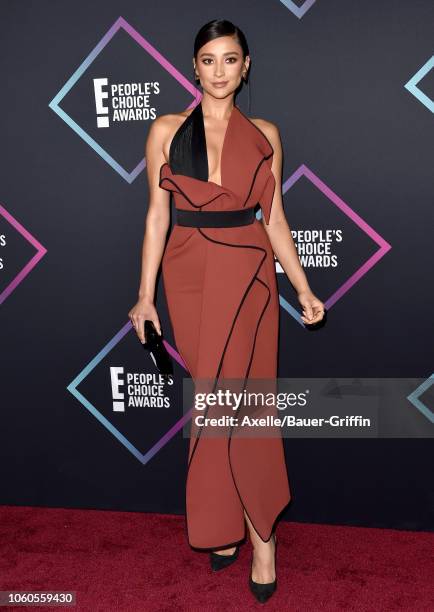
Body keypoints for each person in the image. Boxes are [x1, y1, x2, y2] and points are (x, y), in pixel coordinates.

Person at [128, 18, 325, 604]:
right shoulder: (166, 129)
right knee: (212, 399)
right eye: (209, 60)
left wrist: (303, 286)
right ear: (194, 67)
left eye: (230, 59)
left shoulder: (265, 133)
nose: (219, 70)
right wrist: (144, 295)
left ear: (246, 67)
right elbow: (157, 217)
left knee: (246, 401)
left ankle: (261, 536)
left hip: (249, 274)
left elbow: (277, 219)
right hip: (186, 274)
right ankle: (220, 522)